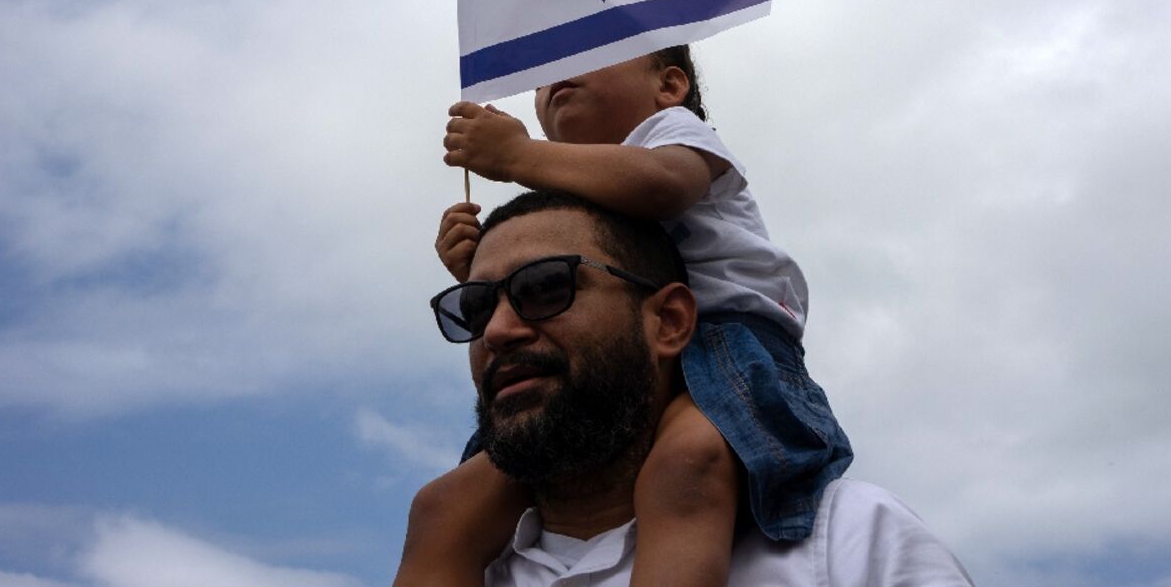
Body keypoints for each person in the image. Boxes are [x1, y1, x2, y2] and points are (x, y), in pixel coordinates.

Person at [400, 46, 852, 586]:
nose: (556, 76)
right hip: (623, 357)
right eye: (543, 78)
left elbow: (661, 184)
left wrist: (518, 156)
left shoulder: (672, 133)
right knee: (443, 505)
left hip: (731, 345)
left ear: (669, 86)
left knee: (685, 468)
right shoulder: (567, 193)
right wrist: (479, 274)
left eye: (593, 52)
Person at [403, 190, 972, 585]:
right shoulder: (454, 560)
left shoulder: (852, 544)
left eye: (547, 286)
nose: (498, 330)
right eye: (475, 307)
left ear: (669, 322)